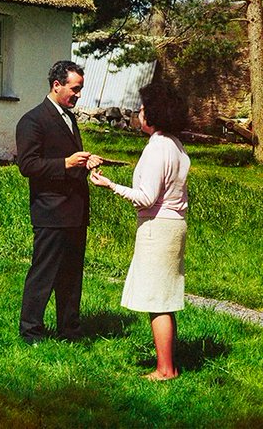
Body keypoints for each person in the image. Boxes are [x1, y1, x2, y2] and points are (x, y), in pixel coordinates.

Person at [90, 82, 190, 380]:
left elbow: (146, 197)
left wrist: (109, 185)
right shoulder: (176, 145)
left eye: (144, 108)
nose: (139, 113)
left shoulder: (157, 147)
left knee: (158, 300)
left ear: (155, 114)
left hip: (158, 228)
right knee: (165, 299)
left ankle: (165, 369)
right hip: (174, 225)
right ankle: (167, 364)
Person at [15, 59, 103, 343]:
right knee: (44, 273)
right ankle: (31, 331)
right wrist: (65, 163)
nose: (78, 95)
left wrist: (85, 161)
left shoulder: (69, 116)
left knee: (72, 274)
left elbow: (64, 154)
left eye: (80, 90)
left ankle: (70, 328)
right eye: (74, 89)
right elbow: (28, 165)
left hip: (75, 210)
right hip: (51, 211)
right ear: (57, 85)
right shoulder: (32, 120)